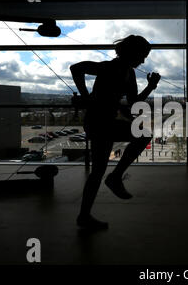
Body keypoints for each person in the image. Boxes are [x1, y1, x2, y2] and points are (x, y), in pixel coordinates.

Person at [70, 35, 160, 230]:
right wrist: (86, 98)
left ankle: (85, 215)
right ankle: (115, 178)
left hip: (103, 122)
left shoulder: (128, 73)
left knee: (97, 172)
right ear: (132, 53)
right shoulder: (110, 67)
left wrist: (150, 87)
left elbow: (133, 105)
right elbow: (75, 68)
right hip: (99, 122)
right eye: (142, 55)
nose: (143, 60)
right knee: (142, 136)